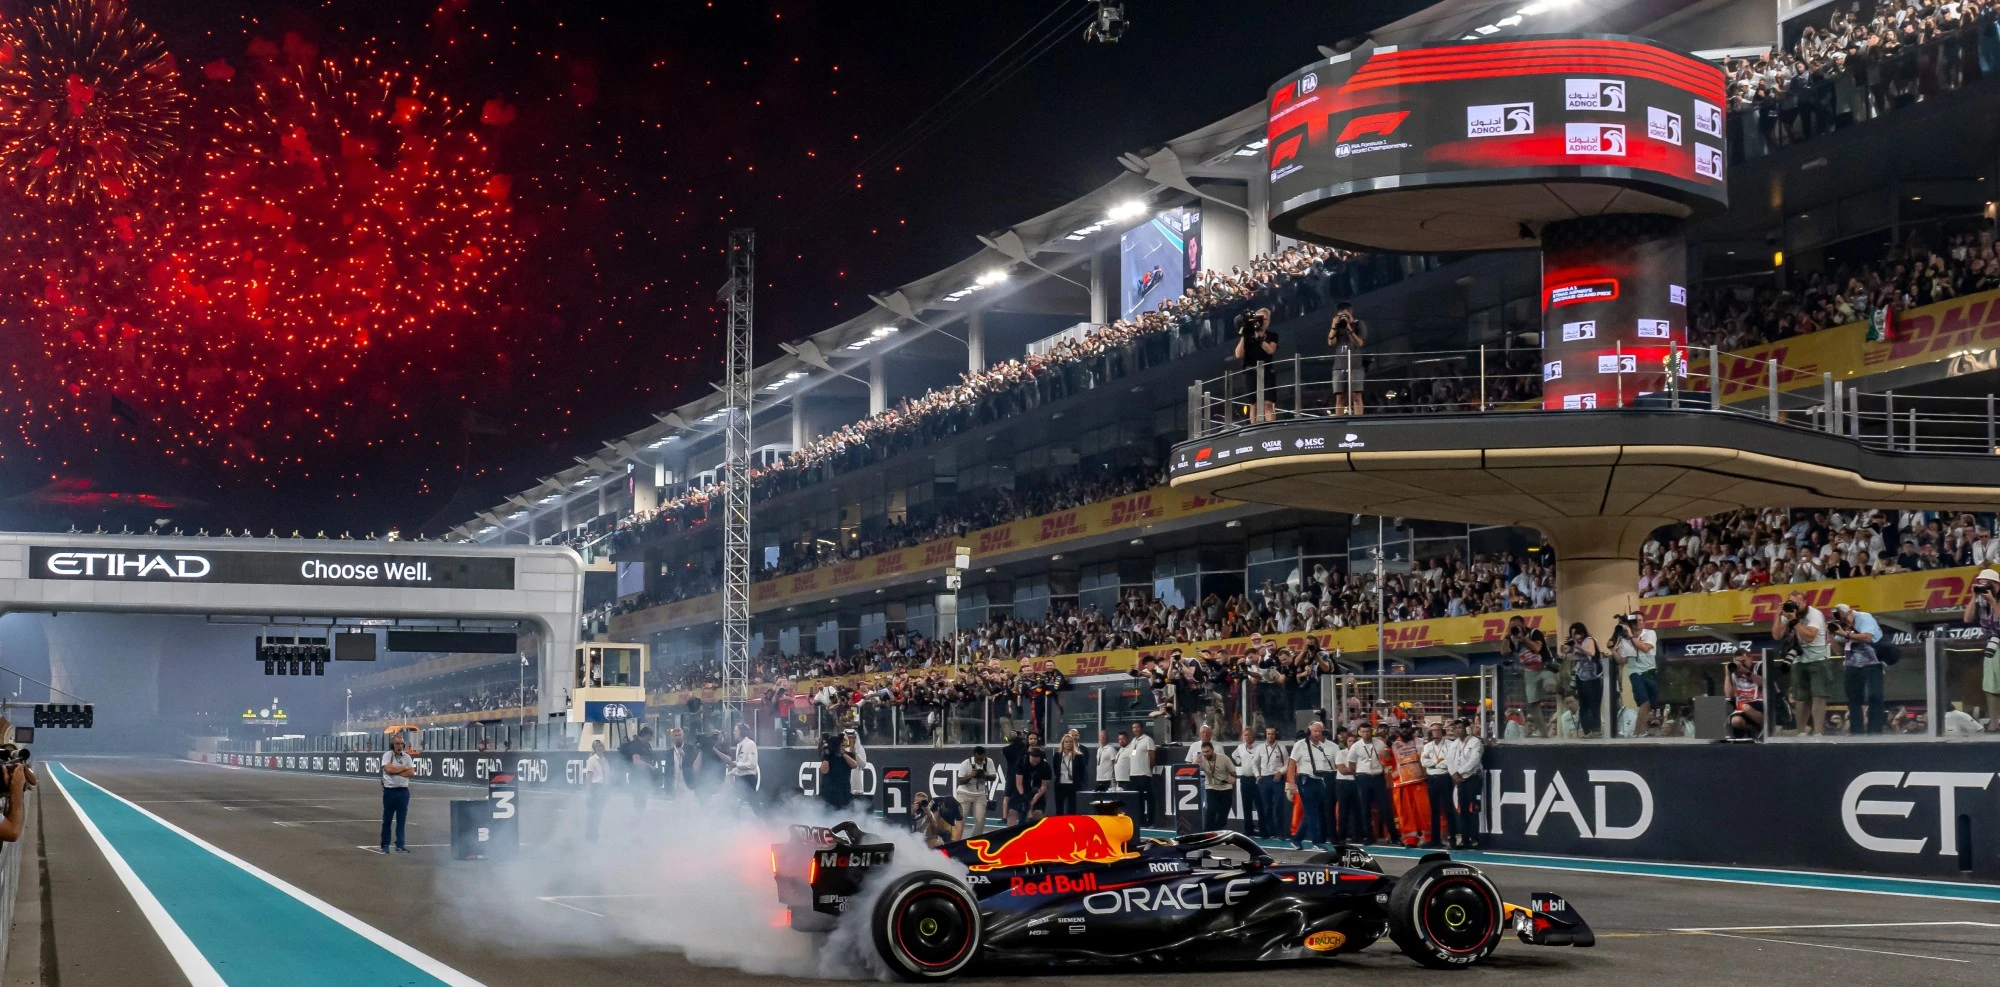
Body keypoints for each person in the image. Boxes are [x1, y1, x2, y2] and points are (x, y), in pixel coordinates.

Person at [1773, 591, 1832, 736]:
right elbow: (1777, 635)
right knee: (1801, 697)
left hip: (1818, 659)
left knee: (1818, 696)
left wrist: (1794, 621)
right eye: (1791, 602)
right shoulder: (1788, 613)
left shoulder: (1814, 614)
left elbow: (1810, 637)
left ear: (1805, 603)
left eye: (1797, 603)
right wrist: (1778, 616)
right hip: (1798, 659)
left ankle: (1818, 732)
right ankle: (1801, 731)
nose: (1793, 606)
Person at [1831, 603, 1886, 735]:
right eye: (1841, 620)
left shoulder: (1864, 618)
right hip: (1852, 665)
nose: (1844, 621)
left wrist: (1846, 634)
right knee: (1853, 699)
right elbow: (1838, 651)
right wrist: (1830, 635)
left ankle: (1875, 731)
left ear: (1850, 612)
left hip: (1872, 663)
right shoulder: (1840, 625)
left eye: (1845, 618)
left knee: (1875, 696)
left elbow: (1868, 637)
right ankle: (1856, 731)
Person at [1286, 721, 1338, 850]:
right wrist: (1291, 782)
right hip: (1305, 779)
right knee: (1312, 811)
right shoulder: (1300, 745)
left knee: (1311, 812)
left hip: (1319, 780)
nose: (1317, 733)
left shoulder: (1322, 747)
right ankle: (1316, 842)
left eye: (1320, 731)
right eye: (1315, 731)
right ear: (1309, 731)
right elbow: (1291, 764)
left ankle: (1297, 840)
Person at [1611, 611, 1660, 736]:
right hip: (1635, 672)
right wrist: (1613, 650)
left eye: (1640, 620)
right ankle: (1638, 733)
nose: (1637, 623)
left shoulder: (1649, 633)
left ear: (1644, 622)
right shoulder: (1624, 639)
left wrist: (1631, 637)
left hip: (1650, 670)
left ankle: (1646, 731)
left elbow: (1645, 648)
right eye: (1634, 621)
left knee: (1653, 704)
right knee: (1644, 702)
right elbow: (1622, 661)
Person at [1964, 568, 2000, 731]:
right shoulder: (1980, 599)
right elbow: (1967, 618)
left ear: (1996, 584)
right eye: (1981, 583)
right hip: (1992, 643)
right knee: (1990, 684)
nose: (1983, 586)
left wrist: (1993, 602)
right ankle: (1994, 723)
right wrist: (1974, 597)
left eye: (1987, 583)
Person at [1387, 723, 1430, 848]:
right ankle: (1410, 839)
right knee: (1405, 814)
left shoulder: (1420, 742)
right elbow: (1386, 761)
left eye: (1407, 727)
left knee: (1425, 811)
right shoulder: (1393, 745)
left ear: (1412, 729)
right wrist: (1387, 748)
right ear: (1398, 729)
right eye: (1402, 727)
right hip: (1401, 784)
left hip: (1419, 782)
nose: (1405, 730)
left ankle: (1429, 838)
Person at [1349, 724, 1394, 844]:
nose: (1366, 734)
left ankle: (1394, 836)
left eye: (1368, 731)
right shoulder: (1355, 746)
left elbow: (1387, 759)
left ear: (1372, 732)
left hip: (1378, 777)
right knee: (1365, 808)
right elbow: (1351, 764)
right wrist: (1358, 776)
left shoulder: (1380, 744)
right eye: (1363, 732)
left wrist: (1387, 754)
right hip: (1363, 777)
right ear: (1359, 733)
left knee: (1385, 807)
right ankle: (1369, 836)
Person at [1232, 307, 1279, 422]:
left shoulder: (1272, 335)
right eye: (1260, 318)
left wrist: (1259, 338)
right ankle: (1255, 427)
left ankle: (1271, 425)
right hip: (1251, 371)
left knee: (1268, 403)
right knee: (1253, 404)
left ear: (1269, 321)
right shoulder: (1248, 335)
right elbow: (1238, 354)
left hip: (1267, 370)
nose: (1263, 321)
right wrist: (1244, 335)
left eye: (1265, 319)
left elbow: (1270, 350)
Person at [1563, 622, 1607, 737]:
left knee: (1593, 702)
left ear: (1581, 633)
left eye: (1576, 634)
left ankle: (1596, 729)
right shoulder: (1575, 644)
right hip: (1580, 676)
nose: (1574, 637)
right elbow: (1568, 655)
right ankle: (1586, 730)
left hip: (1593, 676)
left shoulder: (1589, 640)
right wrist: (1566, 647)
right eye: (1572, 634)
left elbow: (1591, 653)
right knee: (1583, 704)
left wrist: (1577, 646)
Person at [1446, 719, 1484, 850]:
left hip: (1472, 778)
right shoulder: (1455, 743)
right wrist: (1454, 774)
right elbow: (1449, 760)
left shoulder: (1475, 742)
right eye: (1456, 728)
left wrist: (1460, 772)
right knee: (1462, 809)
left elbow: (1474, 760)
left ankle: (1475, 838)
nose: (1457, 730)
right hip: (1459, 780)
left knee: (1473, 809)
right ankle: (1464, 838)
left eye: (1460, 728)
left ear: (1467, 729)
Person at [1327, 301, 1367, 415]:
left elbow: (1359, 343)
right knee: (1340, 397)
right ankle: (1339, 420)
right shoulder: (1337, 326)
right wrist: (1334, 326)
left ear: (1350, 313)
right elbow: (1331, 342)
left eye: (1345, 314)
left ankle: (1358, 420)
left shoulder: (1359, 324)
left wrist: (1349, 327)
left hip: (1355, 366)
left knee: (1356, 396)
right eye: (1341, 314)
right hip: (1339, 366)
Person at [1419, 723, 1455, 848]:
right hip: (1432, 779)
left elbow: (1449, 762)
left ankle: (1452, 839)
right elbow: (1424, 762)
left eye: (1437, 730)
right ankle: (1435, 840)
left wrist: (1433, 764)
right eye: (1433, 730)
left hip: (1445, 777)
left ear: (1442, 731)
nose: (1435, 732)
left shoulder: (1450, 745)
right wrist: (1437, 761)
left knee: (1448, 809)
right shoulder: (1427, 746)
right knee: (1434, 810)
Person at [378, 735, 416, 854]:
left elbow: (411, 772)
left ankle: (400, 844)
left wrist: (396, 771)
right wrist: (403, 768)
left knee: (401, 819)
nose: (399, 746)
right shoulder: (387, 755)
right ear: (392, 745)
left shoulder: (407, 757)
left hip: (403, 791)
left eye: (401, 744)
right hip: (390, 791)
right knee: (387, 819)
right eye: (397, 744)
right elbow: (389, 770)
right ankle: (385, 844)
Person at [955, 745, 997, 836]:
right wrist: (971, 776)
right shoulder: (966, 763)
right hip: (964, 793)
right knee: (960, 820)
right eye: (978, 759)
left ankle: (975, 839)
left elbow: (994, 777)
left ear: (984, 755)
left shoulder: (989, 762)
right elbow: (960, 781)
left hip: (980, 794)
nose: (980, 761)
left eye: (982, 759)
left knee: (980, 821)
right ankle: (956, 839)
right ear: (974, 755)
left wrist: (986, 775)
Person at [1196, 739, 1237, 831]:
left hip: (1225, 788)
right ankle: (1207, 833)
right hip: (1211, 787)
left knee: (1223, 817)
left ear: (1213, 750)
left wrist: (1230, 779)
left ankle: (1216, 831)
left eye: (1207, 751)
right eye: (1203, 752)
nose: (1205, 754)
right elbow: (1192, 770)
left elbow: (1233, 773)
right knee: (1211, 809)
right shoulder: (1201, 759)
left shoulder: (1224, 758)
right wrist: (1196, 762)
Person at [1228, 728, 1261, 837]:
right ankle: (1249, 830)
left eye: (1249, 734)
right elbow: (1233, 755)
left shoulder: (1260, 747)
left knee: (1260, 806)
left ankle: (1263, 829)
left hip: (1257, 779)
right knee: (1246, 806)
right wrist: (1240, 761)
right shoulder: (1240, 747)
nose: (1247, 737)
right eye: (1245, 735)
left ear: (1253, 735)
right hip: (1245, 779)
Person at [1331, 726, 1362, 843]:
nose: (1352, 743)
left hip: (1356, 782)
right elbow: (1342, 770)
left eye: (1354, 741)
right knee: (1343, 811)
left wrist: (1352, 769)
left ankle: (1357, 835)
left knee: (1357, 810)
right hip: (1343, 783)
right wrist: (1357, 769)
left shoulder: (1361, 754)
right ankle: (1341, 836)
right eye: (1350, 741)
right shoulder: (1340, 753)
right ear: (1346, 742)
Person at [1726, 651, 1765, 740]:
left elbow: (1763, 683)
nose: (1742, 664)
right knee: (1736, 721)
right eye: (1739, 662)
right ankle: (1750, 731)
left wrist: (1747, 672)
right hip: (1742, 706)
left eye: (1744, 661)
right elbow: (1729, 695)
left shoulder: (1758, 667)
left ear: (1751, 659)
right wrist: (1728, 675)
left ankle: (1766, 728)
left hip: (1759, 703)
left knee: (1746, 707)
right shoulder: (1734, 674)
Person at [717, 722, 759, 804]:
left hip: (748, 778)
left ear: (742, 732)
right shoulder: (739, 745)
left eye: (736, 731)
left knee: (753, 804)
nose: (734, 733)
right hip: (740, 778)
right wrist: (733, 767)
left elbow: (752, 764)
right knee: (734, 803)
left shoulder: (750, 744)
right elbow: (741, 762)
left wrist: (736, 765)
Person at [618, 726, 655, 817]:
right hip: (637, 777)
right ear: (646, 735)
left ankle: (638, 817)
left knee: (642, 800)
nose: (650, 740)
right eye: (649, 737)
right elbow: (636, 761)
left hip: (643, 777)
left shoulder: (644, 744)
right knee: (639, 800)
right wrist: (650, 766)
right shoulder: (636, 745)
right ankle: (636, 819)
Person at [1126, 722, 1157, 825]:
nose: (1136, 729)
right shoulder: (1133, 741)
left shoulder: (1147, 740)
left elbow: (1152, 756)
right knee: (1137, 799)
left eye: (1137, 727)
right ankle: (1141, 820)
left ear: (1141, 728)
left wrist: (1149, 769)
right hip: (1133, 775)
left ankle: (1150, 820)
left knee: (1148, 799)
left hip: (1144, 774)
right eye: (1134, 727)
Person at [818, 732, 857, 812]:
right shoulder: (828, 757)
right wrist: (826, 757)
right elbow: (824, 770)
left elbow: (854, 765)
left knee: (846, 813)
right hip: (829, 793)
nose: (844, 747)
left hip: (844, 792)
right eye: (841, 745)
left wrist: (843, 754)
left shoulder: (848, 755)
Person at [1052, 731, 1087, 816]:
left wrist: (1079, 783)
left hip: (1073, 786)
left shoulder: (1079, 756)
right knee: (1059, 809)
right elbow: (1055, 769)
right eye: (1066, 742)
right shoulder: (1057, 755)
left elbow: (1082, 771)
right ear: (1063, 743)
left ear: (1073, 743)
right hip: (1060, 786)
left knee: (1072, 809)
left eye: (1070, 742)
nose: (1068, 743)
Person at [582, 739, 610, 841]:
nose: (601, 748)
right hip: (595, 787)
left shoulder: (605, 760)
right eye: (598, 746)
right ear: (595, 748)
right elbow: (589, 776)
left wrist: (607, 790)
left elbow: (607, 776)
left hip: (602, 788)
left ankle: (595, 833)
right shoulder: (592, 760)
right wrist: (588, 792)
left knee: (599, 813)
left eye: (602, 746)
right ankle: (590, 835)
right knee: (593, 813)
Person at [1018, 747, 1053, 821]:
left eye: (1036, 762)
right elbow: (1019, 782)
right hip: (1024, 789)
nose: (1034, 764)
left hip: (1038, 790)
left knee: (1038, 813)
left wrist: (1033, 801)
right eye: (1032, 762)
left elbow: (1044, 786)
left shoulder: (1046, 766)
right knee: (1023, 813)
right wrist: (1023, 795)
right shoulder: (1021, 762)